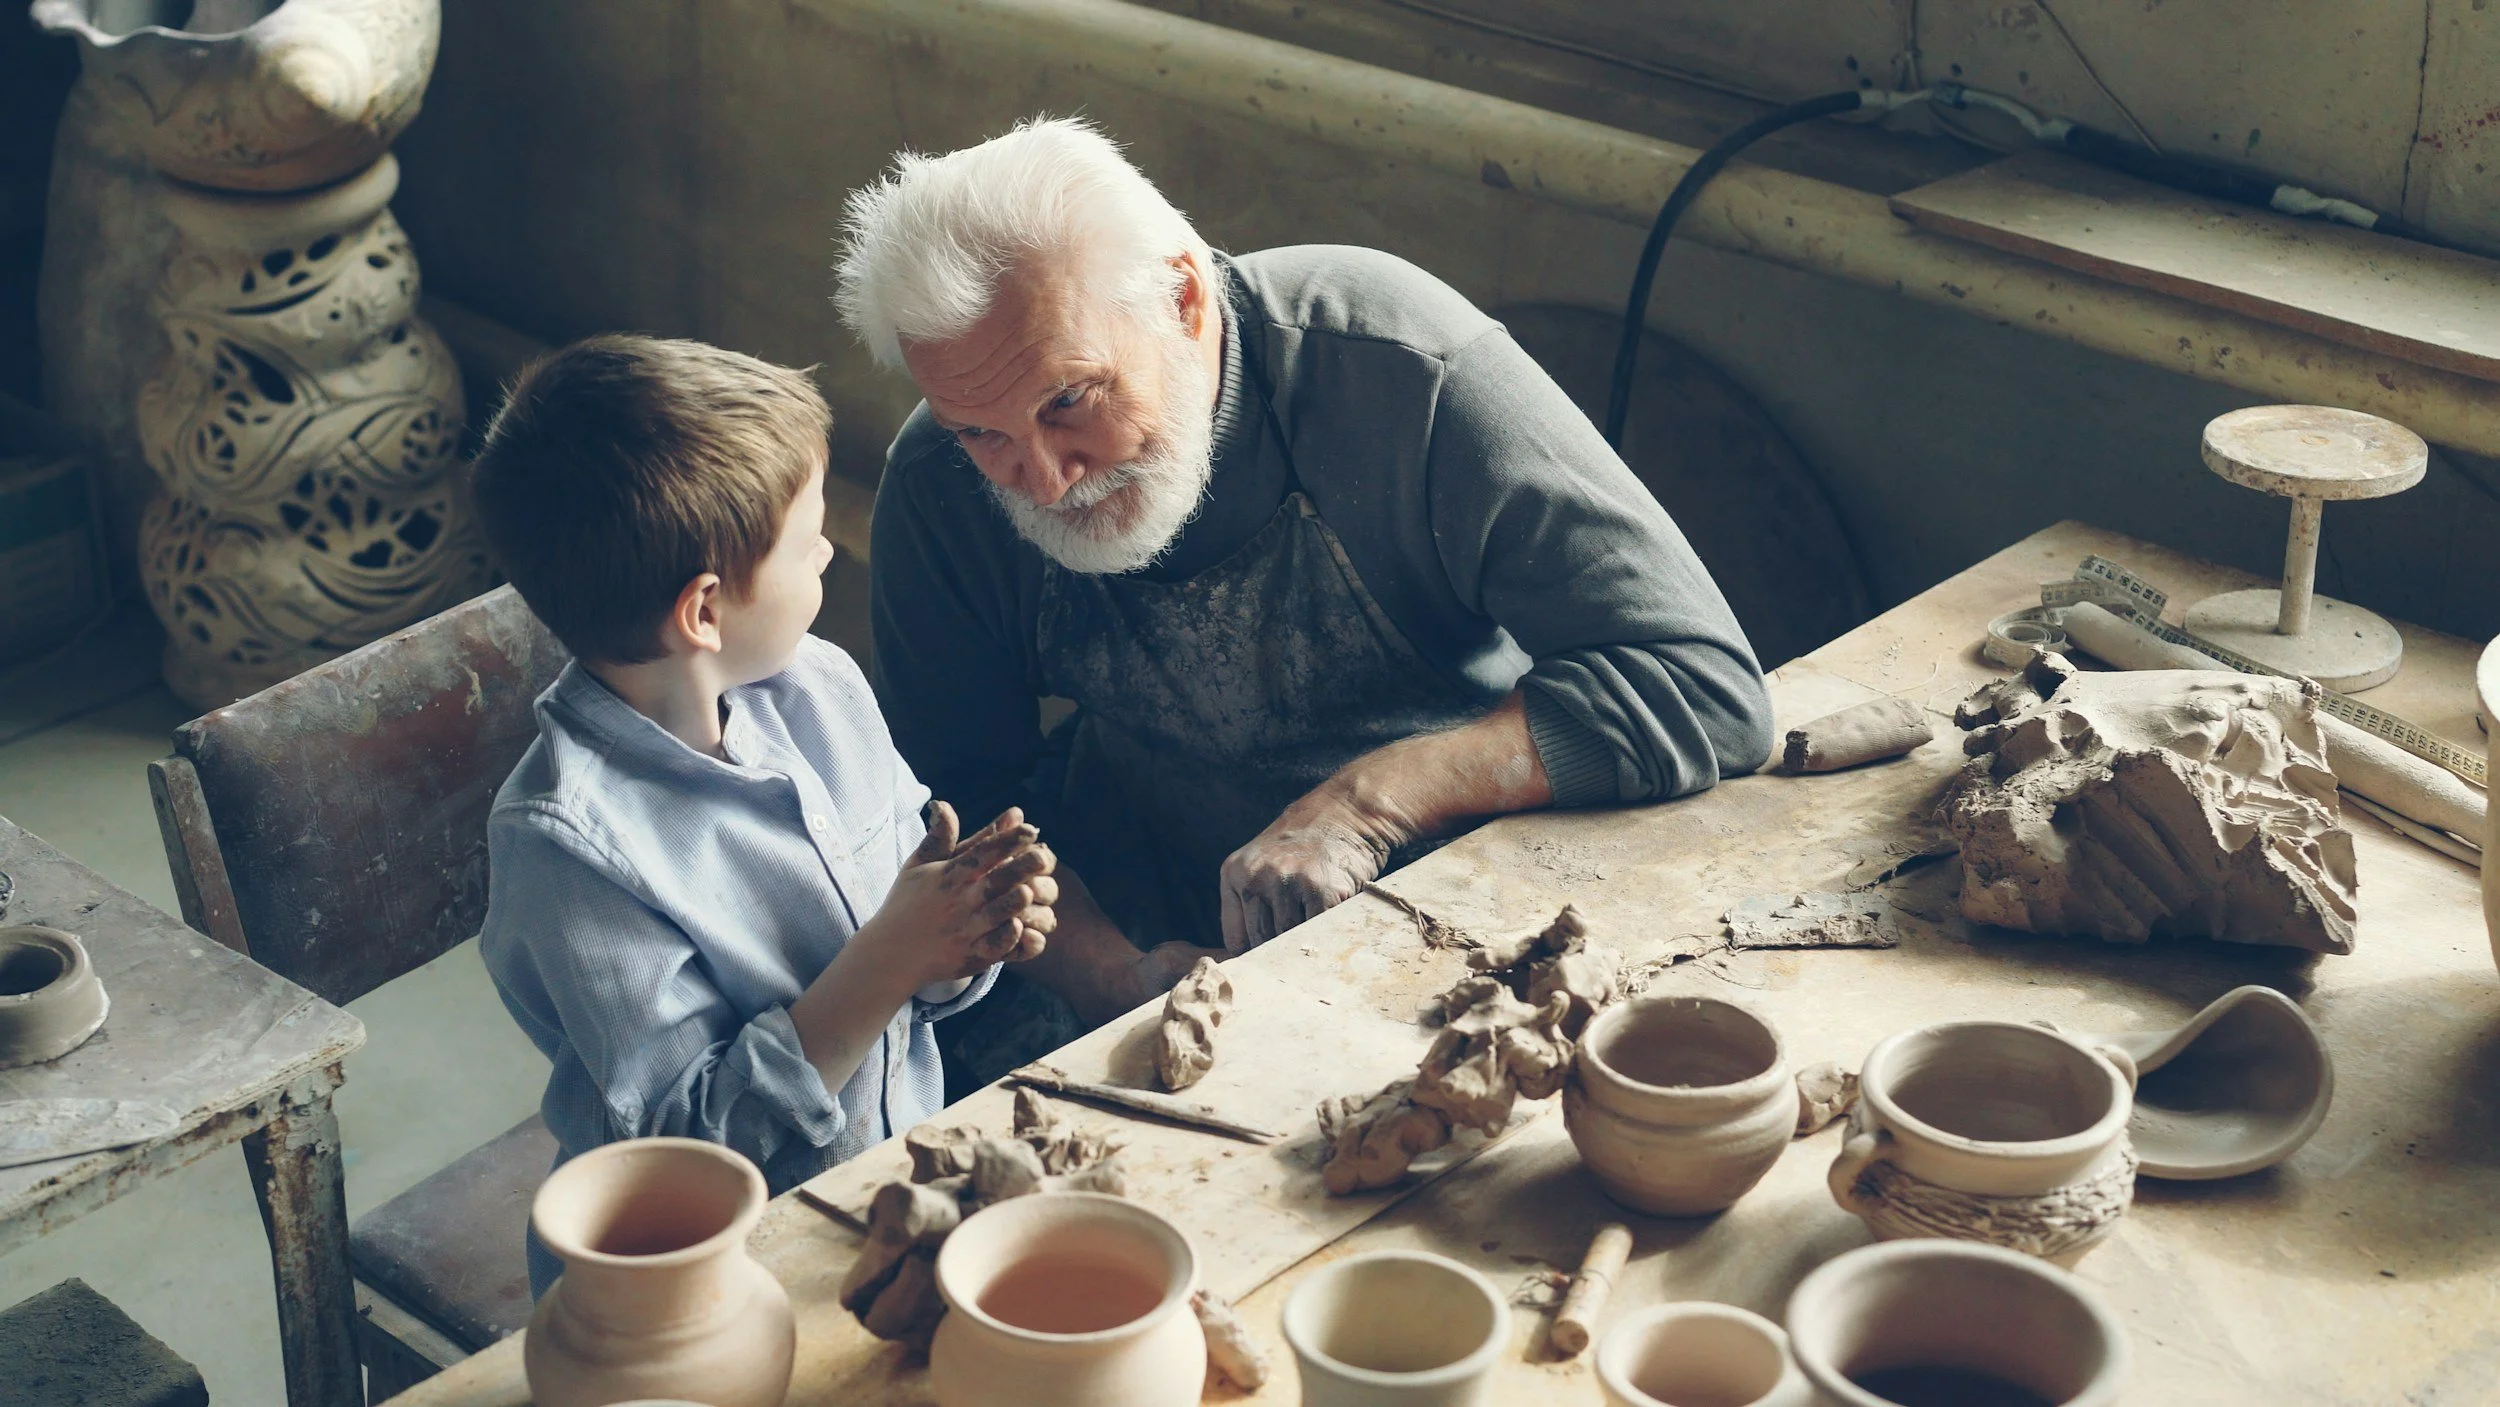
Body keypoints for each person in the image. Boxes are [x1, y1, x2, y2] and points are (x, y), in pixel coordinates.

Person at [834, 118, 1775, 1088]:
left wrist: (1366, 804)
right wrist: (1111, 978)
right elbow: (953, 812)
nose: (1039, 477)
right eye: (983, 433)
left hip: (1479, 905)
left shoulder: (1397, 365)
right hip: (1152, 923)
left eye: (1070, 400)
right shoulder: (942, 483)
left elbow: (1702, 685)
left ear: (1183, 298)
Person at [466, 335, 1057, 1292]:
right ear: (704, 611)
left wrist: (966, 932)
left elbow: (915, 961)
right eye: (806, 534)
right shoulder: (568, 849)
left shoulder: (816, 684)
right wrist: (893, 955)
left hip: (885, 1192)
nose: (828, 548)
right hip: (701, 1287)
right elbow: (682, 1163)